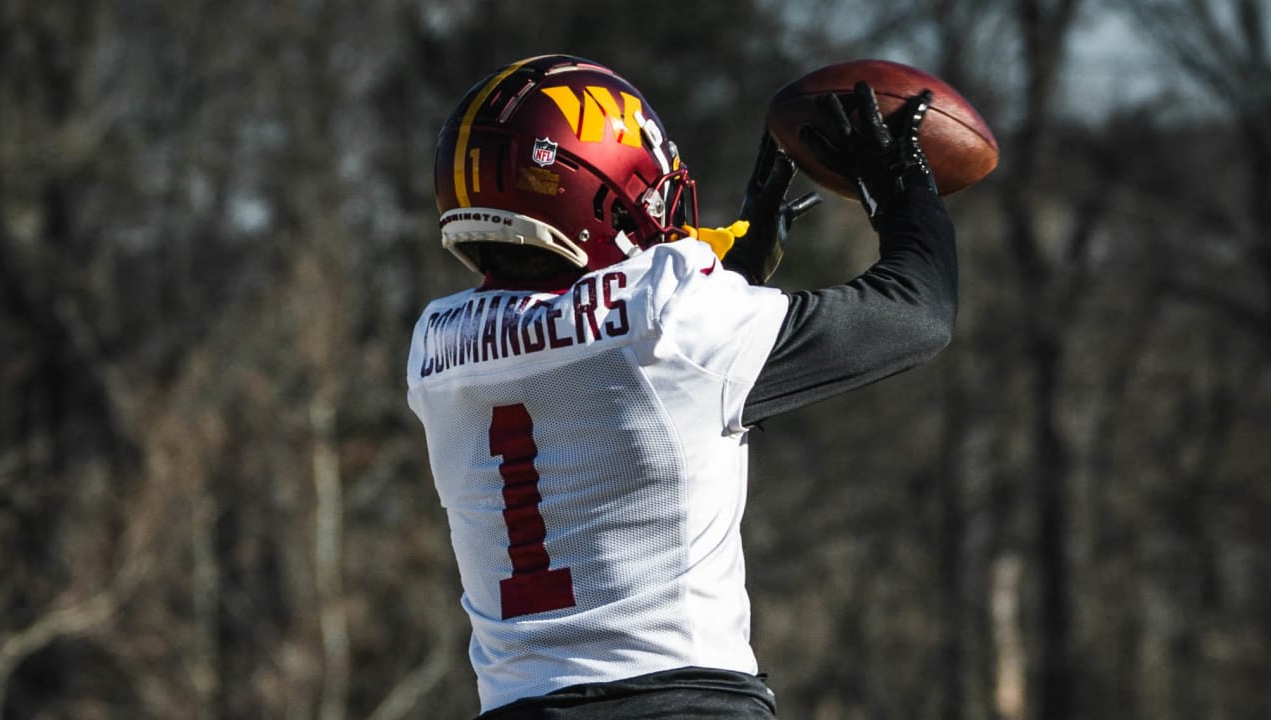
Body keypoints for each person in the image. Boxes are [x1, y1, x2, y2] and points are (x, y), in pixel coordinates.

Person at [406, 54, 957, 719]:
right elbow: (916, 313)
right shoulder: (670, 318)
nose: (658, 212)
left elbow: (628, 374)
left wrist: (742, 266)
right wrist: (899, 181)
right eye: (646, 191)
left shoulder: (436, 349)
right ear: (594, 191)